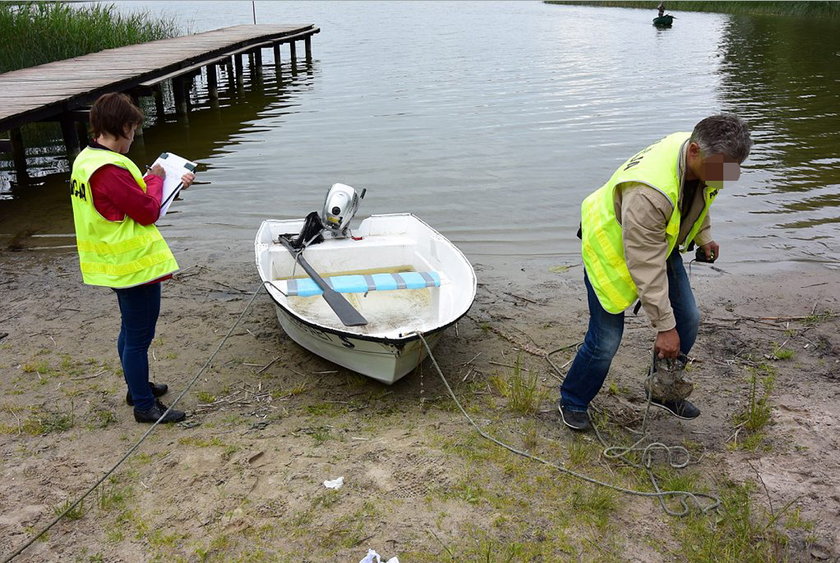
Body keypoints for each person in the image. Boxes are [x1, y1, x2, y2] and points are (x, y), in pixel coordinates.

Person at [558, 114, 752, 431]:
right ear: (693, 151)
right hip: (610, 247)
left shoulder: (705, 159)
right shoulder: (649, 193)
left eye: (733, 168)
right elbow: (645, 264)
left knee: (688, 318)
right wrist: (664, 327)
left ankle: (662, 387)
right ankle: (573, 400)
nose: (726, 177)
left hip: (654, 240)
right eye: (722, 168)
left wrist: (704, 237)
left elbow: (699, 199)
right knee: (606, 339)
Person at [69, 92, 195, 423]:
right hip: (131, 265)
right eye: (133, 130)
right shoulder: (108, 169)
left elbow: (121, 203)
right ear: (122, 127)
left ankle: (136, 386)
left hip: (110, 259)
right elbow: (147, 211)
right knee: (139, 336)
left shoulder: (86, 159)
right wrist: (156, 179)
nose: (133, 138)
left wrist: (163, 185)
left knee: (130, 329)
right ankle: (143, 405)